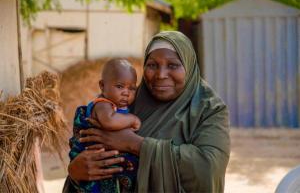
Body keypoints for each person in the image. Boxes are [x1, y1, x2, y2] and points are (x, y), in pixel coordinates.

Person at [64, 31, 230, 192]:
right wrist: (75, 172)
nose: (161, 74)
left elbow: (208, 169)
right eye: (152, 65)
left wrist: (135, 143)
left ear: (188, 65)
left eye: (173, 65)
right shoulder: (125, 101)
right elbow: (85, 150)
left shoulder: (209, 109)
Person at [68, 59, 140, 192]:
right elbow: (109, 121)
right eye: (119, 86)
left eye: (132, 88)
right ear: (102, 86)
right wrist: (132, 119)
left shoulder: (119, 105)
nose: (126, 92)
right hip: (97, 159)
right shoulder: (103, 104)